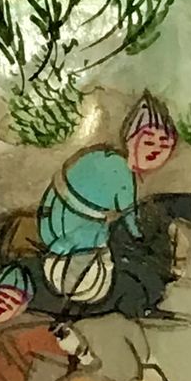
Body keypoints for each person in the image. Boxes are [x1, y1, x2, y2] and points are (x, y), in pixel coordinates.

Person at [36, 92, 177, 302]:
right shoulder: (121, 173)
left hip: (50, 225)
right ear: (130, 139)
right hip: (69, 238)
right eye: (148, 142)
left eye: (164, 146)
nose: (156, 151)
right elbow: (134, 228)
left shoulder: (103, 156)